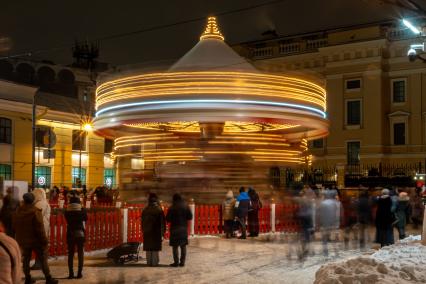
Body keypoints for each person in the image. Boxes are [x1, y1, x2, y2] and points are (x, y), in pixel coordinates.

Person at [12, 192, 58, 284]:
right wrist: (44, 240)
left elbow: (14, 226)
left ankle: (28, 278)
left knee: (26, 259)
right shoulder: (35, 212)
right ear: (33, 200)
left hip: (23, 240)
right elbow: (39, 228)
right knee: (43, 258)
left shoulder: (18, 212)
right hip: (35, 241)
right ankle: (48, 278)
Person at [166, 194, 193, 267]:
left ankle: (176, 262)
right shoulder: (186, 206)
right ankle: (182, 262)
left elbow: (167, 219)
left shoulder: (172, 207)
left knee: (175, 247)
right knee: (183, 246)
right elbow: (190, 217)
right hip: (183, 228)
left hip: (174, 228)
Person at [64, 196, 87, 279]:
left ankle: (71, 273)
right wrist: (82, 207)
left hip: (70, 233)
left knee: (70, 254)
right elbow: (86, 218)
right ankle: (79, 273)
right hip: (80, 233)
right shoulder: (82, 211)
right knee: (80, 254)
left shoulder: (67, 212)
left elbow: (66, 219)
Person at [142, 193, 166, 267]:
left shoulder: (145, 210)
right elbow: (162, 223)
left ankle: (149, 262)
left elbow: (142, 221)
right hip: (156, 232)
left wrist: (143, 229)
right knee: (155, 248)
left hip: (147, 231)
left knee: (149, 247)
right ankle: (154, 262)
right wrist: (162, 233)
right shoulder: (159, 210)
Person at [31, 188, 51, 270]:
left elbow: (36, 215)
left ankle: (39, 263)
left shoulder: (40, 203)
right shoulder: (42, 202)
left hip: (41, 227)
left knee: (40, 246)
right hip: (43, 226)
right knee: (41, 246)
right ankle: (39, 263)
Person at [318, 190, 341, 256]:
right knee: (333, 238)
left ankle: (325, 252)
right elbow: (337, 214)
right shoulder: (335, 203)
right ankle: (336, 252)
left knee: (325, 238)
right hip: (333, 223)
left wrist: (319, 224)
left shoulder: (323, 203)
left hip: (325, 224)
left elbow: (320, 214)